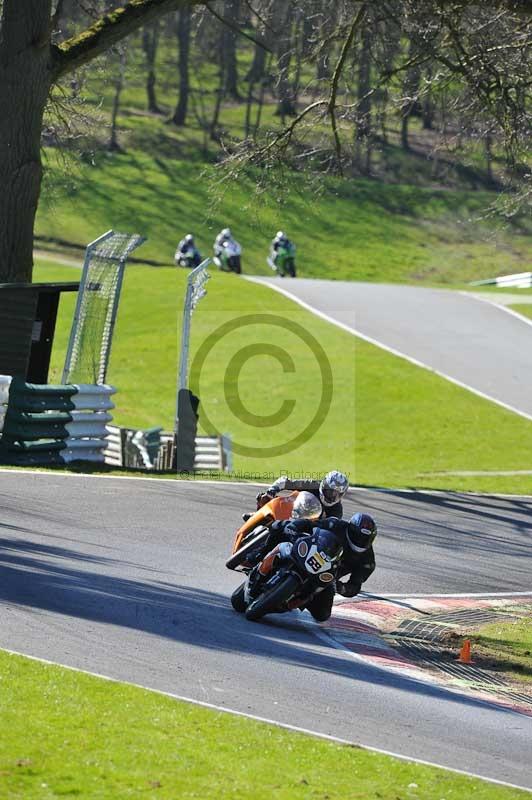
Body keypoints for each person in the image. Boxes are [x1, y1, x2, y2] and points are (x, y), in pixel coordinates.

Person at [247, 512, 377, 622]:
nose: (360, 541)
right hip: (310, 553)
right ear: (350, 528)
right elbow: (309, 524)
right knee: (280, 526)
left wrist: (342, 588)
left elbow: (355, 585)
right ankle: (260, 553)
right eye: (359, 536)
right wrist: (294, 527)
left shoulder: (367, 561)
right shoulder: (335, 524)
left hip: (327, 577)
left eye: (365, 539)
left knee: (322, 615)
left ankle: (290, 603)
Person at [255, 471, 349, 520]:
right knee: (263, 499)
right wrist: (271, 492)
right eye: (330, 491)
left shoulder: (337, 511)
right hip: (290, 513)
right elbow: (284, 482)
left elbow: (329, 532)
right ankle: (256, 518)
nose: (332, 497)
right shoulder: (312, 485)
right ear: (323, 485)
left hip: (305, 531)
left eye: (337, 494)